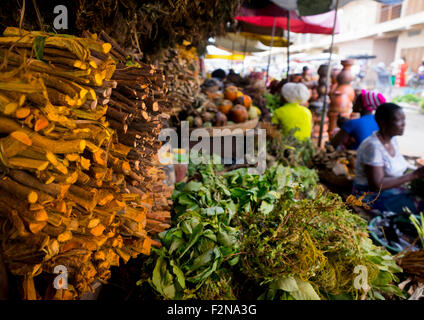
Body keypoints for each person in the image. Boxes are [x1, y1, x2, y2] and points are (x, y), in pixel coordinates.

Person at [353, 103, 424, 214]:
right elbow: (377, 185)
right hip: (369, 197)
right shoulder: (373, 147)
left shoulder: (392, 140)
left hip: (390, 191)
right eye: (399, 120)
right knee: (419, 204)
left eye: (404, 120)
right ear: (383, 123)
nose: (403, 124)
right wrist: (414, 175)